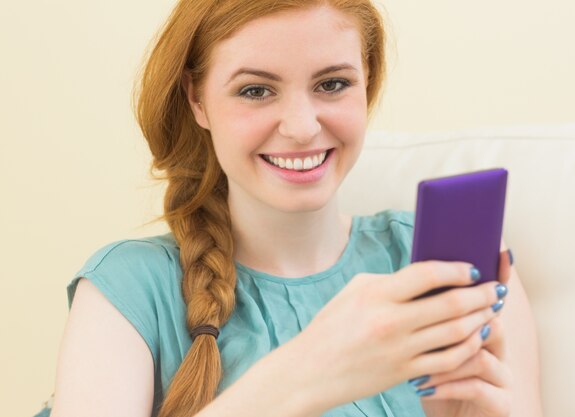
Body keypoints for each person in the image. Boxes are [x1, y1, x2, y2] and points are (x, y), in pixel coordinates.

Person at [38, 0, 542, 416]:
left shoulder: (454, 271)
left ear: (367, 81)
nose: (301, 126)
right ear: (197, 100)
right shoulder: (127, 291)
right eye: (256, 90)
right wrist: (307, 374)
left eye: (332, 84)